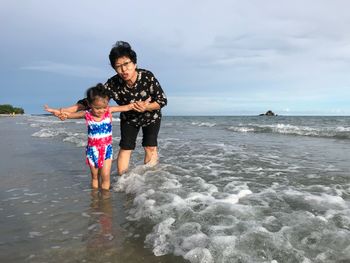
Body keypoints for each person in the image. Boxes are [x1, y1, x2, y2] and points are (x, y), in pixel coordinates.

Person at [54, 41, 167, 176]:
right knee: (126, 147)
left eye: (126, 64)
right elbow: (93, 100)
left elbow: (162, 100)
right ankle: (123, 181)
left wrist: (147, 106)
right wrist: (68, 110)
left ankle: (149, 180)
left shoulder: (147, 77)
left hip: (151, 116)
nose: (124, 70)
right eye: (118, 66)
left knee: (150, 146)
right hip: (129, 118)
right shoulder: (114, 83)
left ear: (134, 63)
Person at [45, 83, 136, 190]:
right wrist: (56, 112)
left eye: (104, 107)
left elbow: (127, 107)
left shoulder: (108, 111)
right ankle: (95, 198)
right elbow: (68, 115)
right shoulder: (86, 114)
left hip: (107, 150)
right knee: (95, 177)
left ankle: (105, 199)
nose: (101, 110)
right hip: (92, 151)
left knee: (106, 176)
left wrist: (142, 104)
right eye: (97, 108)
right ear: (89, 104)